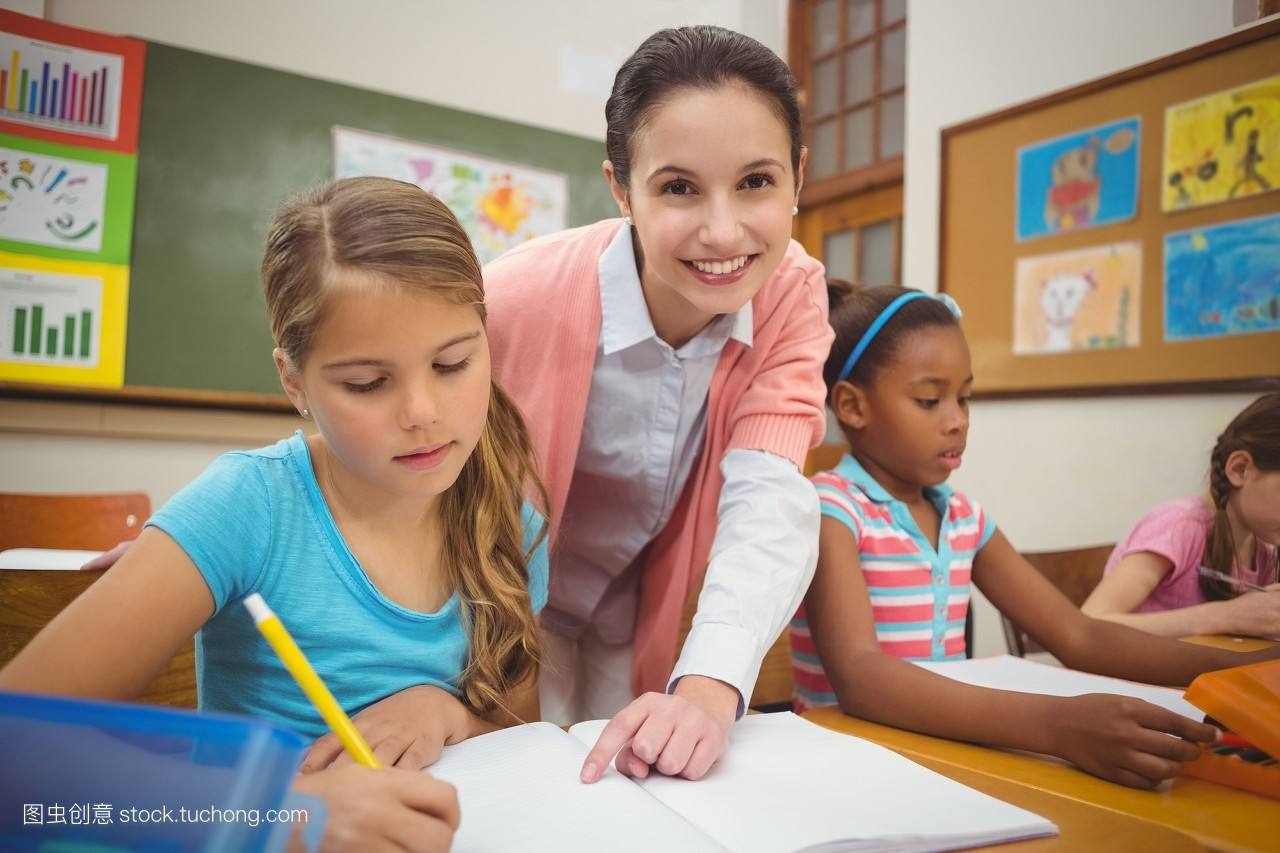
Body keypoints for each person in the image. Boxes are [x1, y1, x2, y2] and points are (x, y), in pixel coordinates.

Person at [1, 176, 552, 849]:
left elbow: (519, 735)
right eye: (367, 382)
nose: (423, 413)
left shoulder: (510, 524)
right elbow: (15, 743)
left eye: (453, 362)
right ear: (295, 383)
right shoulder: (248, 506)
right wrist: (277, 809)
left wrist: (447, 712)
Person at [482, 24, 832, 784]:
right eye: (678, 187)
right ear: (620, 188)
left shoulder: (792, 293)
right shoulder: (509, 298)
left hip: (630, 615)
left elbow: (770, 494)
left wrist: (709, 689)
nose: (722, 230)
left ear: (798, 176)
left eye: (757, 182)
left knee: (627, 791)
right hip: (496, 616)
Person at [792, 282, 1280, 789]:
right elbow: (861, 678)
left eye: (965, 398)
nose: (957, 421)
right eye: (930, 400)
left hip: (937, 754)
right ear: (851, 406)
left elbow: (1079, 635)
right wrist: (1057, 724)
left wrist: (1245, 669)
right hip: (843, 764)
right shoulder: (832, 509)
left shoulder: (963, 517)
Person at [1082, 393, 1280, 637]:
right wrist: (1225, 616)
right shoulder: (1178, 527)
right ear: (1239, 469)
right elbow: (1090, 623)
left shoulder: (1263, 553)